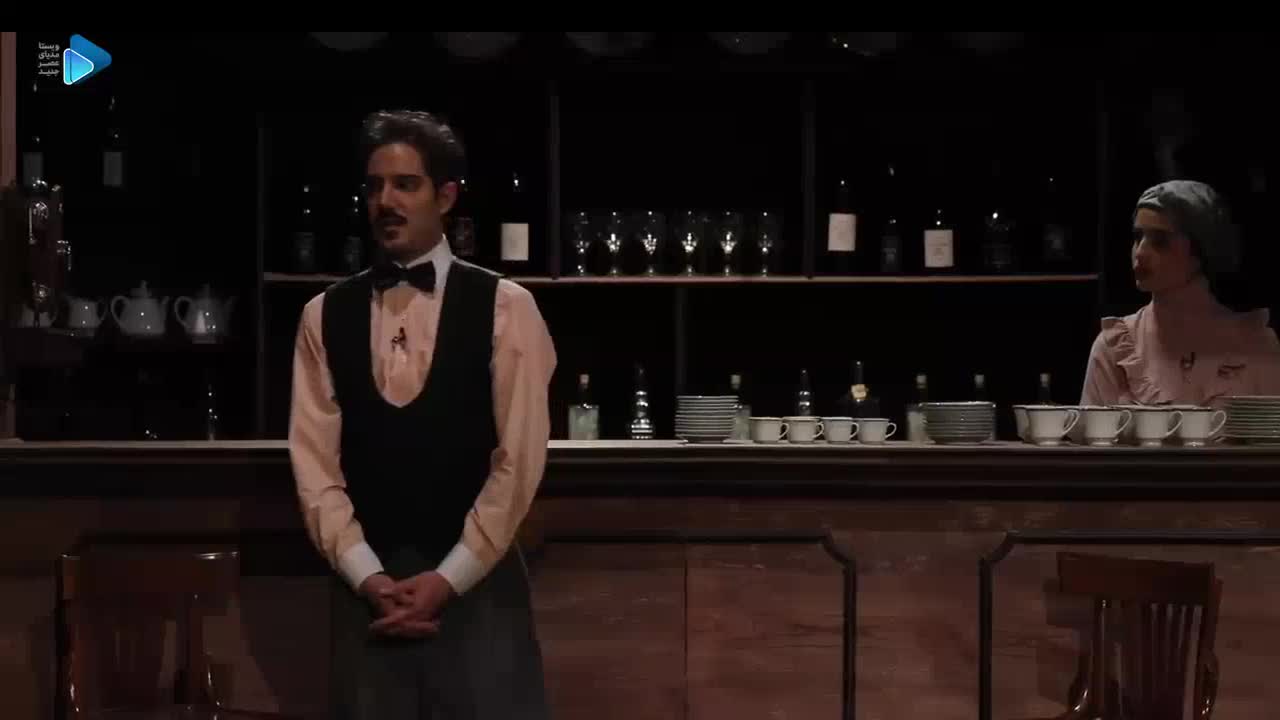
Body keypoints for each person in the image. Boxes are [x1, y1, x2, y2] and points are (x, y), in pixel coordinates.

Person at [288, 109, 556, 719]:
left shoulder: (507, 308)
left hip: (477, 592)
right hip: (369, 599)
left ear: (446, 196)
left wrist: (448, 578)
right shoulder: (322, 316)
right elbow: (314, 467)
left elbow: (518, 464)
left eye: (405, 184)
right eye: (374, 186)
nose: (385, 201)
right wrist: (367, 575)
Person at [1080, 180, 1280, 407]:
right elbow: (1092, 430)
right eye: (1137, 237)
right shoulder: (1116, 349)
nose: (1140, 252)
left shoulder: (1256, 344)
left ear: (1201, 248)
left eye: (1160, 241)